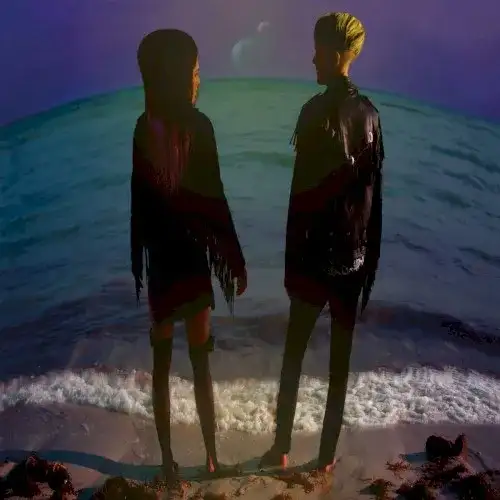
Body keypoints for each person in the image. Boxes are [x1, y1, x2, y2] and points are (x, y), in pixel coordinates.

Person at [260, 12, 385, 473]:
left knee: (293, 356)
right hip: (353, 261)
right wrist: (368, 263)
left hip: (313, 260)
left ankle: (281, 448)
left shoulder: (313, 112)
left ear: (334, 55)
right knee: (339, 366)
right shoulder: (371, 115)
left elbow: (302, 200)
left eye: (316, 51)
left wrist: (291, 265)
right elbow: (372, 199)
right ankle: (326, 458)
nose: (312, 59)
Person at [130, 29, 248, 492]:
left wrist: (142, 261)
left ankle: (169, 466)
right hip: (194, 263)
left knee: (161, 367)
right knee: (201, 364)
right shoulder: (201, 126)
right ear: (179, 76)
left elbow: (139, 206)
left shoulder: (143, 127)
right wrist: (233, 261)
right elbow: (214, 201)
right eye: (195, 72)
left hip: (161, 264)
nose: (199, 80)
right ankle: (212, 460)